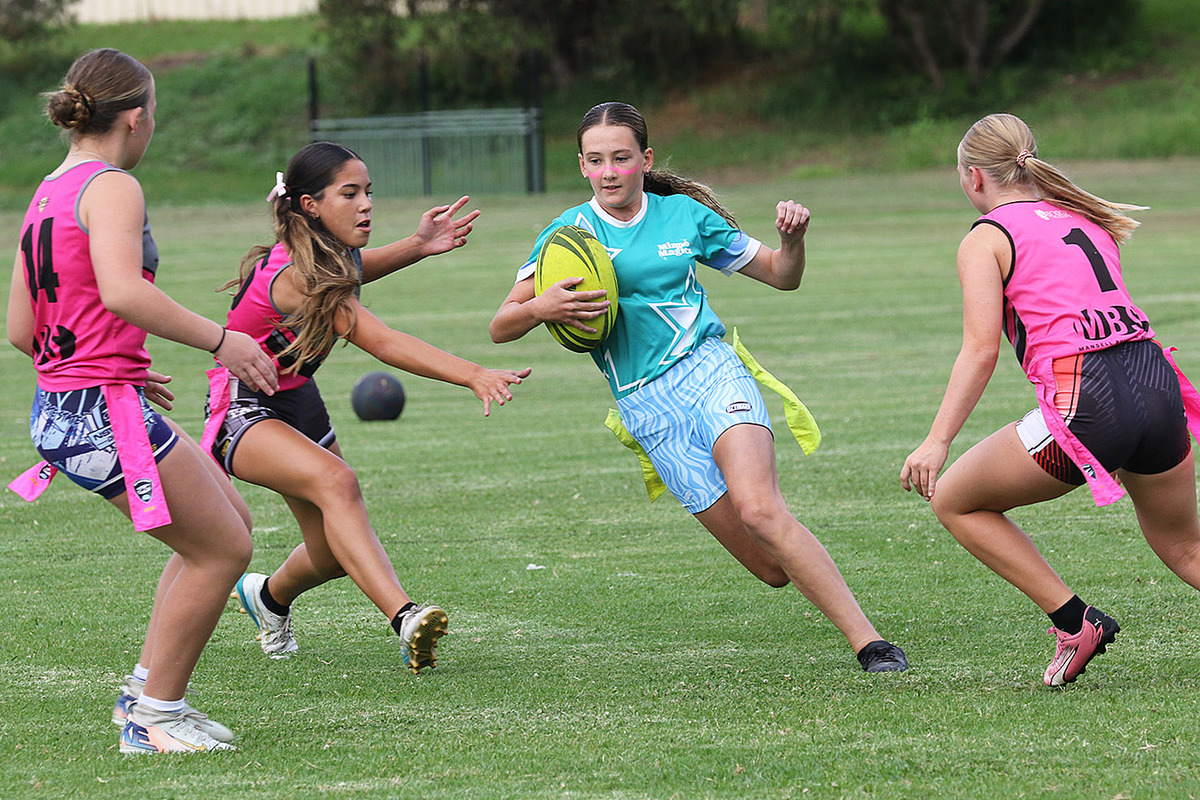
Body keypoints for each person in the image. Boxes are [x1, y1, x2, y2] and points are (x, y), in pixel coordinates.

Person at [490, 101, 907, 673]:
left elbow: (783, 277)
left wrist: (793, 241)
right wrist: (541, 306)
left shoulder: (684, 216)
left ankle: (870, 643)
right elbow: (500, 326)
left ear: (645, 159)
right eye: (595, 160)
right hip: (645, 406)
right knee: (770, 568)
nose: (609, 171)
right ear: (582, 166)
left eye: (621, 157)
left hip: (708, 369)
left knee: (761, 510)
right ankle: (814, 578)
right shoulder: (566, 235)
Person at [6, 48, 279, 753]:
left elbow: (19, 329)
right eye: (152, 114)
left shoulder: (48, 188)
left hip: (71, 402)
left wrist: (112, 362)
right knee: (223, 548)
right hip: (96, 410)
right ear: (135, 118)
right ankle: (155, 717)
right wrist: (222, 341)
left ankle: (145, 692)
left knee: (226, 520)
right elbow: (124, 290)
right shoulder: (112, 186)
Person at [901, 112, 1200, 685]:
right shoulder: (1084, 218)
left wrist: (936, 441)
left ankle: (1075, 621)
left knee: (955, 500)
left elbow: (980, 350)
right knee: (1185, 546)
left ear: (973, 177)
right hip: (1156, 377)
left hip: (1090, 394)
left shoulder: (987, 237)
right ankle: (1077, 622)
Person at [208, 141, 530, 673]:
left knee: (333, 551)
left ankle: (267, 598)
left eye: (368, 192)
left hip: (298, 400)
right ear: (311, 205)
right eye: (350, 193)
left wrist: (418, 245)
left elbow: (357, 268)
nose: (366, 205)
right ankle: (404, 616)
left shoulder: (327, 253)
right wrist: (472, 373)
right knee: (339, 485)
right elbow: (380, 339)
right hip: (244, 407)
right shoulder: (300, 274)